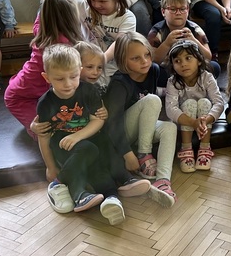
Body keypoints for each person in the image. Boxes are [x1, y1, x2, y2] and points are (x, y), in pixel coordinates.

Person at [35, 43, 151, 223]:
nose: (68, 84)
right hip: (63, 143)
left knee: (102, 145)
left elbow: (98, 120)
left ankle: (118, 188)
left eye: (73, 76)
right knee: (89, 149)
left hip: (86, 137)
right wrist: (50, 166)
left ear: (79, 71)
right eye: (59, 79)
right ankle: (72, 190)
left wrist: (78, 135)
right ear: (46, 77)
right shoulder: (45, 103)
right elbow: (43, 136)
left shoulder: (88, 90)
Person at [1, 0, 136, 86]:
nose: (96, 5)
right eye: (93, 0)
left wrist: (100, 61)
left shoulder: (127, 17)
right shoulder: (85, 7)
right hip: (84, 65)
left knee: (101, 90)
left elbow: (120, 42)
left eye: (102, 1)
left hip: (109, 65)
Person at [104, 32, 178, 206]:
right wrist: (127, 154)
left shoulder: (154, 70)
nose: (144, 61)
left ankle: (163, 181)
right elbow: (112, 124)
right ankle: (143, 154)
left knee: (170, 127)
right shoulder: (119, 83)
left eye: (147, 55)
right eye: (136, 58)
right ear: (123, 61)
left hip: (141, 131)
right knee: (152, 99)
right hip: (120, 136)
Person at [4, 0, 84, 138]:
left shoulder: (41, 28)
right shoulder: (63, 46)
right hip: (22, 98)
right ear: (70, 16)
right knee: (47, 133)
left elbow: (48, 6)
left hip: (37, 92)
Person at [165, 40, 224, 172]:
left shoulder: (207, 77)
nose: (183, 64)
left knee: (205, 102)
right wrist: (193, 122)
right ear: (172, 65)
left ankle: (205, 147)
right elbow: (170, 109)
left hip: (204, 119)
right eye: (177, 61)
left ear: (199, 60)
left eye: (188, 58)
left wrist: (206, 120)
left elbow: (219, 102)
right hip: (185, 120)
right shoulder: (173, 82)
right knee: (189, 104)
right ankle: (186, 148)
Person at [148, 0, 220, 77]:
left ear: (188, 10)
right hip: (169, 70)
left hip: (192, 68)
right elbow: (153, 60)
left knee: (214, 66)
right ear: (163, 12)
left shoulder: (195, 29)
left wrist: (194, 41)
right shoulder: (156, 32)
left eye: (182, 9)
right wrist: (167, 43)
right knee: (154, 69)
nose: (178, 13)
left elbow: (208, 57)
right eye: (173, 9)